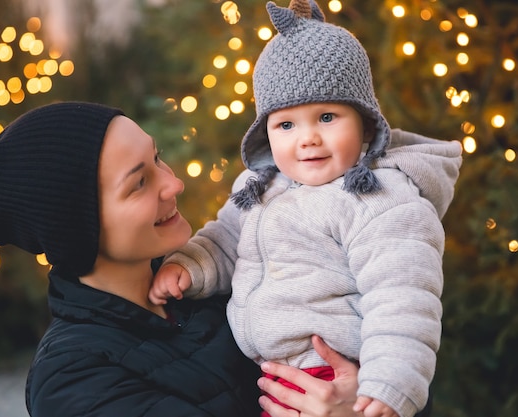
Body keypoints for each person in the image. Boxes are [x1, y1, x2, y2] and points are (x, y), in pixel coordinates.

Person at [0, 101, 367, 417]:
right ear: (79, 229)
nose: (174, 183)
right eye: (139, 183)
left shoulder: (224, 272)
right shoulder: (73, 380)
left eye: (158, 158)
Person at [149, 1, 463, 417]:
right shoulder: (260, 187)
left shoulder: (379, 199)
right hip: (276, 380)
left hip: (339, 377)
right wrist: (189, 265)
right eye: (286, 125)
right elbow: (225, 240)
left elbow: (403, 295)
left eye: (327, 116)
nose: (307, 138)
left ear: (366, 124)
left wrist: (390, 382)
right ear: (266, 133)